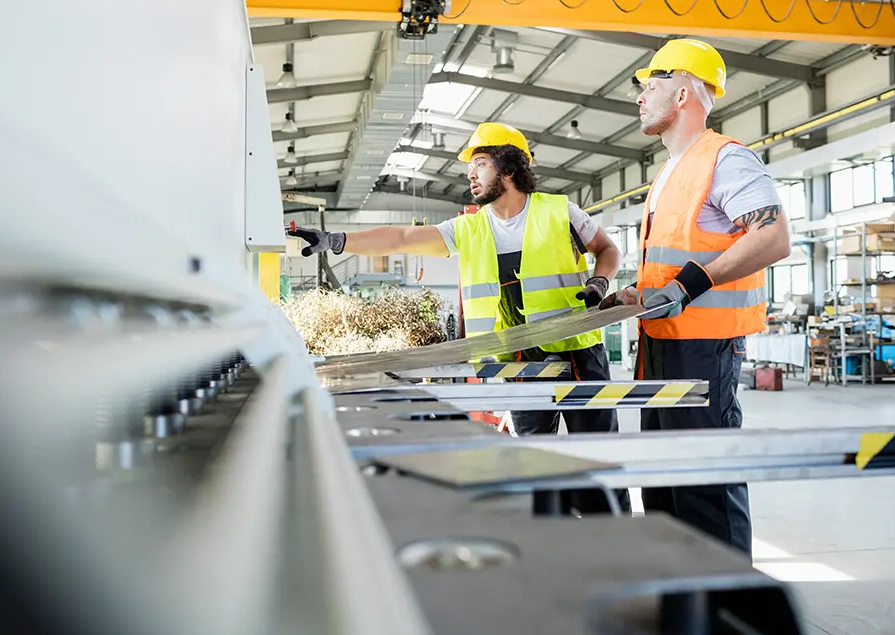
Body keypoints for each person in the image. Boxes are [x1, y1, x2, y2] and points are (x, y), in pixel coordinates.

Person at [289, 121, 630, 515]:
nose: (470, 173)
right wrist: (337, 240)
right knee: (534, 462)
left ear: (509, 167)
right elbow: (402, 239)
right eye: (469, 166)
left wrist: (600, 282)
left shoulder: (559, 211)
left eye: (480, 162)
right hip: (517, 362)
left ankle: (614, 531)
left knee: (597, 459)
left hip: (576, 353)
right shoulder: (468, 228)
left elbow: (607, 249)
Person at [598, 39, 791, 556]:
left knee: (706, 488)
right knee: (662, 487)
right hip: (659, 346)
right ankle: (680, 602)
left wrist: (690, 285)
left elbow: (773, 238)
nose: (640, 98)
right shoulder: (667, 173)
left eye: (650, 86)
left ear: (683, 92)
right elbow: (674, 262)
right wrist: (635, 294)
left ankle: (730, 609)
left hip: (704, 351)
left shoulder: (725, 159)